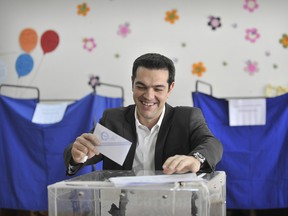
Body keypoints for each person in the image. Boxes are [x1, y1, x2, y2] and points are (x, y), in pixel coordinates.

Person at [64, 53, 223, 176]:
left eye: (158, 89)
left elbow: (212, 144)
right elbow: (85, 151)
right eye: (141, 86)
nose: (148, 96)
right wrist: (77, 154)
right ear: (132, 83)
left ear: (170, 88)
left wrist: (196, 160)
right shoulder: (113, 120)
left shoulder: (186, 118)